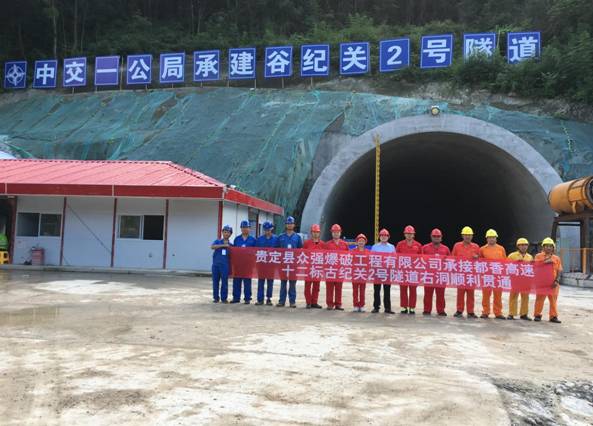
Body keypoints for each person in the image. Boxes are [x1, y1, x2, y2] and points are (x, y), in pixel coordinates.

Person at [421, 228, 450, 316]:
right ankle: (427, 310)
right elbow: (420, 260)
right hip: (429, 275)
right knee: (427, 294)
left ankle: (441, 310)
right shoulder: (425, 248)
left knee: (441, 294)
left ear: (441, 237)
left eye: (438, 236)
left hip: (441, 275)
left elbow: (450, 261)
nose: (436, 238)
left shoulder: (445, 249)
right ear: (431, 237)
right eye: (434, 236)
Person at [452, 226, 479, 319]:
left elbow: (481, 261)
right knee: (460, 293)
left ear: (472, 236)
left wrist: (477, 258)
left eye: (469, 235)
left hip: (471, 274)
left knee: (471, 294)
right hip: (460, 274)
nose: (468, 237)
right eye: (466, 235)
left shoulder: (476, 247)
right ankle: (459, 310)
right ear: (462, 236)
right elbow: (452, 258)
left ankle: (470, 312)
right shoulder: (457, 246)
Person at [479, 229, 507, 319]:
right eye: (490, 237)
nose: (491, 239)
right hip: (486, 276)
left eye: (493, 237)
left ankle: (498, 312)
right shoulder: (482, 249)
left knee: (498, 295)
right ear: (487, 238)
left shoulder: (501, 249)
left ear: (496, 238)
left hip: (498, 276)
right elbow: (479, 262)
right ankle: (485, 312)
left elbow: (504, 261)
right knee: (486, 295)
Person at [534, 238, 563, 323]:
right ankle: (537, 315)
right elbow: (536, 267)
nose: (548, 248)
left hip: (553, 284)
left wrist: (557, 281)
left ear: (553, 248)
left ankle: (553, 316)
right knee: (539, 299)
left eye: (550, 246)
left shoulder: (556, 258)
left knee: (553, 301)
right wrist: (546, 261)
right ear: (543, 247)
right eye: (546, 246)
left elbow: (559, 270)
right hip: (541, 283)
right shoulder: (538, 256)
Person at [276, 216, 303, 308]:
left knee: (292, 283)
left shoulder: (297, 237)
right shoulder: (281, 237)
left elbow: (300, 250)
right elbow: (277, 250)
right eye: (288, 223)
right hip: (283, 264)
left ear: (294, 225)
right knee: (283, 283)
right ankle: (281, 301)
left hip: (293, 264)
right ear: (286, 225)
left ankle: (292, 301)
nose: (290, 225)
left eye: (291, 223)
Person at [395, 225, 422, 314]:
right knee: (403, 289)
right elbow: (396, 257)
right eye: (407, 233)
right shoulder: (400, 244)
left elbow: (421, 259)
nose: (409, 235)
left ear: (413, 235)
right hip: (402, 271)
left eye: (411, 234)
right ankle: (404, 307)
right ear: (404, 234)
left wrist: (419, 271)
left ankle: (412, 307)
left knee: (413, 289)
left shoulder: (418, 245)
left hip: (414, 271)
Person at [507, 238, 534, 320]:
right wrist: (515, 263)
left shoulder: (530, 257)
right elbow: (506, 266)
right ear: (518, 246)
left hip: (525, 280)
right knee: (513, 296)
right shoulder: (512, 256)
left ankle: (524, 314)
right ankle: (511, 313)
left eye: (525, 245)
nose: (523, 247)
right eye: (521, 245)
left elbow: (532, 269)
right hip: (515, 279)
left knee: (525, 297)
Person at [324, 224, 349, 310]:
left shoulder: (344, 244)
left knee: (339, 287)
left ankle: (338, 304)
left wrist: (346, 268)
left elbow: (347, 257)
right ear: (331, 233)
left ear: (340, 233)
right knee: (329, 288)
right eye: (334, 232)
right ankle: (330, 304)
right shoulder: (327, 245)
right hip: (330, 270)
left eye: (337, 232)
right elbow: (323, 257)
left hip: (340, 270)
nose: (336, 233)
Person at [231, 220, 257, 304]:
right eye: (243, 227)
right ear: (241, 228)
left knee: (247, 282)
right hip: (238, 264)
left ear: (249, 228)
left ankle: (247, 298)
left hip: (248, 264)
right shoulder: (237, 239)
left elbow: (255, 252)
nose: (245, 229)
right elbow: (234, 251)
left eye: (246, 227)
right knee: (236, 281)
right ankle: (236, 298)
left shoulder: (253, 240)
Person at [371, 228, 395, 314]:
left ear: (388, 237)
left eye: (385, 235)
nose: (383, 237)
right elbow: (372, 259)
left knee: (387, 290)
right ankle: (376, 307)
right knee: (376, 290)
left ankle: (387, 308)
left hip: (388, 271)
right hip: (377, 270)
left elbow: (394, 259)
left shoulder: (392, 247)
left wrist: (393, 270)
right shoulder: (375, 247)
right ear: (379, 236)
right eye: (382, 235)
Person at [255, 221, 278, 306]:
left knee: (270, 282)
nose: (267, 232)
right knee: (261, 281)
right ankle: (260, 299)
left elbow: (279, 251)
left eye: (269, 230)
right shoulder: (259, 239)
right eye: (265, 230)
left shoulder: (276, 239)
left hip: (271, 264)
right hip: (261, 264)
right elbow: (255, 251)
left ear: (271, 229)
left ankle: (269, 298)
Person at [303, 224, 324, 309]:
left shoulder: (322, 244)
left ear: (319, 233)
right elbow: (303, 255)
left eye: (317, 232)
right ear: (311, 233)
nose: (315, 233)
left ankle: (314, 302)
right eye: (314, 232)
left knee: (316, 286)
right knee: (307, 286)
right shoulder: (306, 243)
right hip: (309, 268)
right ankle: (308, 302)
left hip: (318, 268)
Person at [210, 225, 233, 303]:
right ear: (222, 232)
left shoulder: (231, 245)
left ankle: (224, 298)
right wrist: (223, 245)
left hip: (225, 266)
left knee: (224, 282)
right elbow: (212, 247)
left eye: (228, 232)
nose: (226, 234)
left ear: (230, 234)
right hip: (216, 266)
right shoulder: (217, 241)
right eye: (225, 232)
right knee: (215, 282)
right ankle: (216, 298)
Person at [351, 233, 370, 312]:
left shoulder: (368, 252)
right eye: (359, 241)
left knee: (362, 290)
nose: (361, 242)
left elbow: (369, 263)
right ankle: (355, 305)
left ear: (365, 242)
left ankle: (362, 305)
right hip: (355, 273)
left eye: (363, 241)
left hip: (363, 274)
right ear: (357, 242)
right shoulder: (353, 251)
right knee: (355, 290)